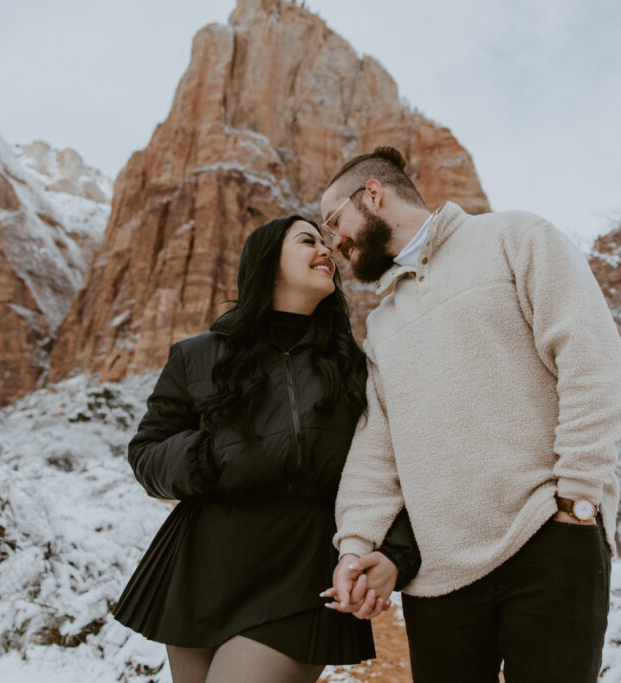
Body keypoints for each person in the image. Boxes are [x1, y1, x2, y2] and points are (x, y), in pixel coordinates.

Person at [319, 147, 621, 682]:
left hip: (549, 540)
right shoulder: (383, 324)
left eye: (334, 222)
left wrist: (577, 501)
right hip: (439, 578)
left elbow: (591, 361)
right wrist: (355, 547)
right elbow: (378, 450)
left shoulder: (515, 238)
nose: (334, 243)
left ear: (373, 194)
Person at [113, 215, 421, 683]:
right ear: (267, 262)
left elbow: (397, 468)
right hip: (205, 562)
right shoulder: (197, 355)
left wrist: (397, 554)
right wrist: (213, 453)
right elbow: (147, 454)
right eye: (307, 240)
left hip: (305, 565)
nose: (325, 250)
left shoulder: (355, 365)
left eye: (326, 242)